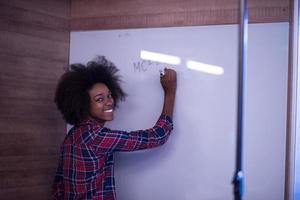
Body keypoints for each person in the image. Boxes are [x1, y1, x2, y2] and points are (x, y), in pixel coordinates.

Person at [52, 56, 177, 200]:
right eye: (99, 99)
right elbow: (157, 136)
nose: (109, 102)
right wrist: (170, 93)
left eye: (109, 95)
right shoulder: (96, 137)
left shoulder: (72, 135)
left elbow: (58, 187)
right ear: (82, 103)